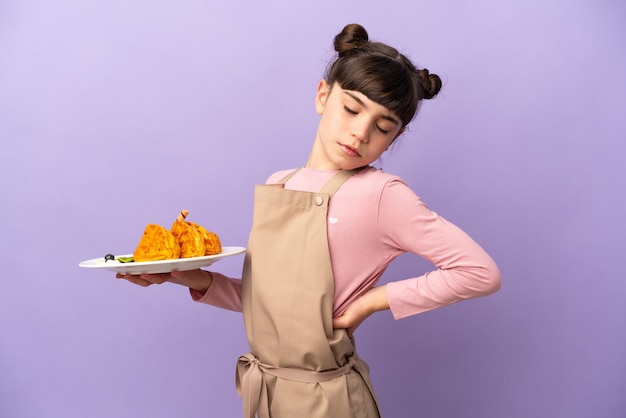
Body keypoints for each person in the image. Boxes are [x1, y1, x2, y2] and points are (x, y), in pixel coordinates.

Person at [118, 23, 501, 418]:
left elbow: (479, 272)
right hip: (266, 393)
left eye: (383, 127)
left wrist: (368, 303)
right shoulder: (280, 184)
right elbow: (265, 301)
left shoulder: (382, 196)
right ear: (323, 95)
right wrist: (187, 276)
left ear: (394, 137)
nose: (359, 132)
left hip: (327, 400)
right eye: (351, 108)